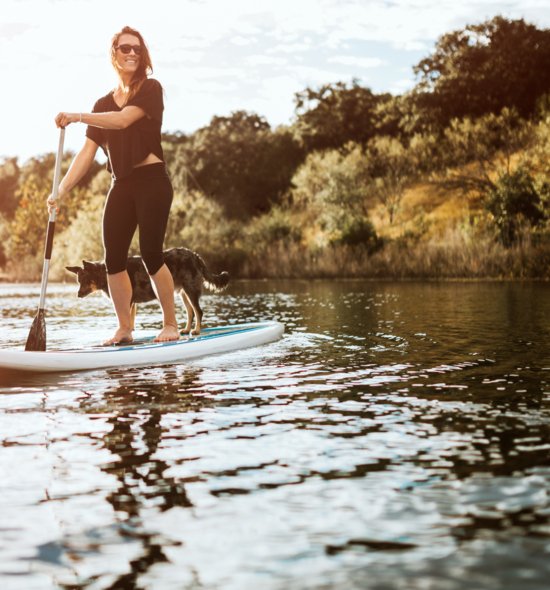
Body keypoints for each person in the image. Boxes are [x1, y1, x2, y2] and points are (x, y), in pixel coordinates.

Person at [48, 26, 179, 345]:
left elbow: (122, 120)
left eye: (137, 48)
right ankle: (124, 329)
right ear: (115, 54)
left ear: (143, 54)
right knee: (114, 259)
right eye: (125, 48)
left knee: (150, 253)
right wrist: (60, 191)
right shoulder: (103, 102)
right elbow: (87, 153)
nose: (132, 53)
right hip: (122, 185)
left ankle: (171, 325)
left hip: (152, 182)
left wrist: (81, 116)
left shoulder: (150, 88)